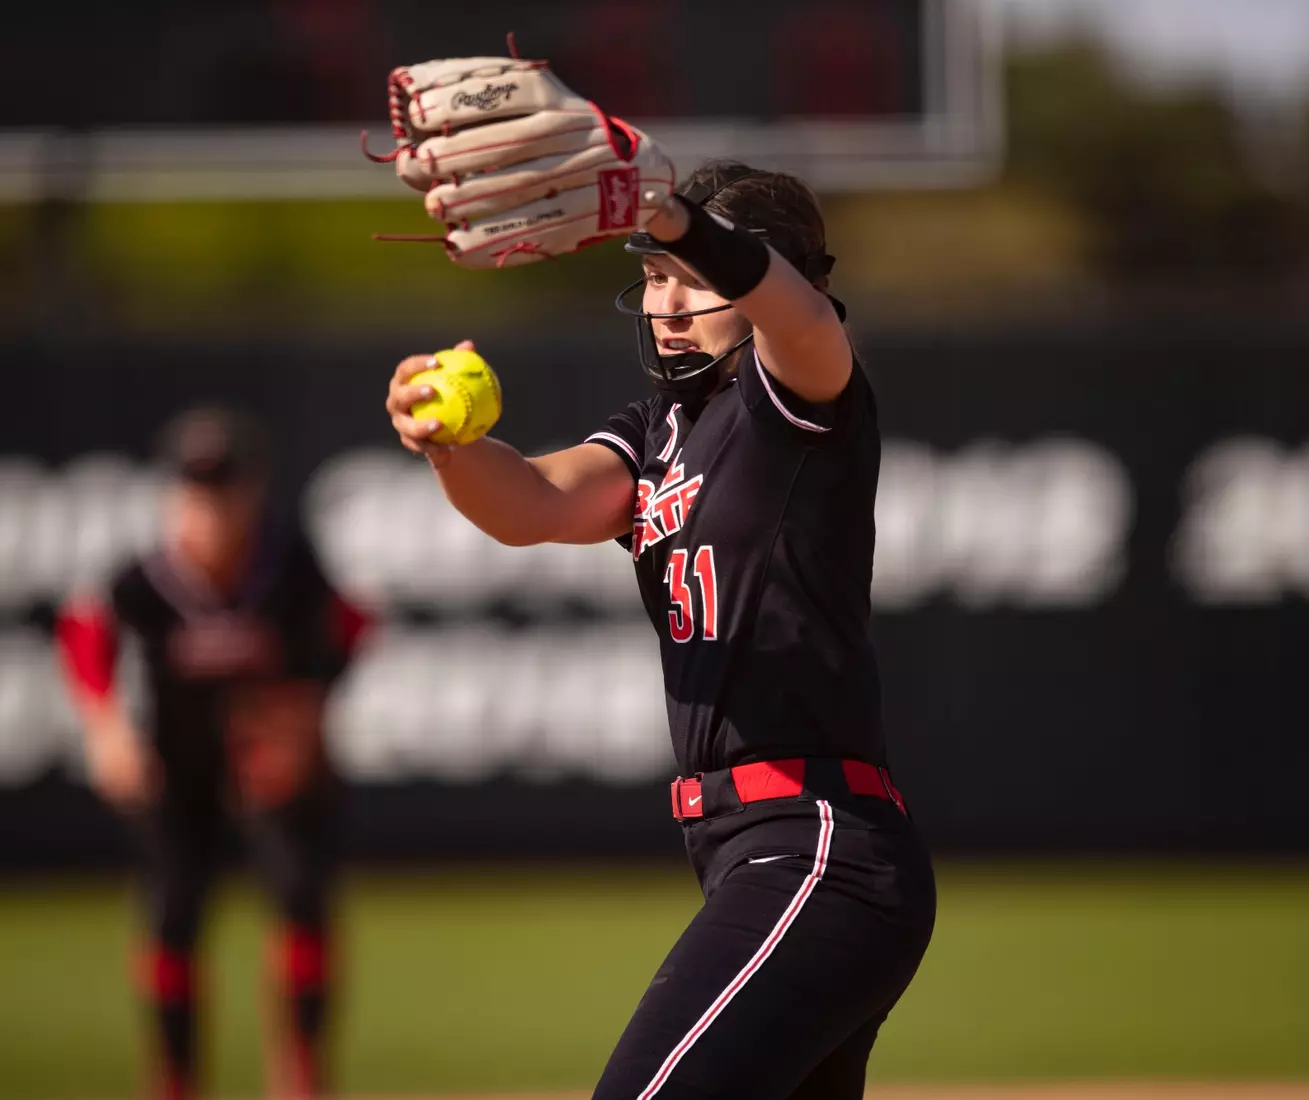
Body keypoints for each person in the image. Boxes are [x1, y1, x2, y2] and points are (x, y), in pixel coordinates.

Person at [384, 160, 936, 1099]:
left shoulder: (799, 394)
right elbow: (534, 503)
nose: (668, 304)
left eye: (691, 279)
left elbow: (801, 320)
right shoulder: (659, 430)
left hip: (818, 849)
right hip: (745, 850)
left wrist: (677, 218)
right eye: (653, 276)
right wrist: (450, 449)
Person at [55, 407, 373, 1100]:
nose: (210, 508)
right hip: (180, 768)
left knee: (301, 897)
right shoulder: (148, 577)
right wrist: (106, 729)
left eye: (224, 489)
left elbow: (353, 624)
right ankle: (175, 1080)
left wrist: (308, 717)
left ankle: (301, 1076)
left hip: (270, 766)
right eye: (195, 491)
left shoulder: (288, 562)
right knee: (172, 914)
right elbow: (83, 630)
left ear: (252, 492)